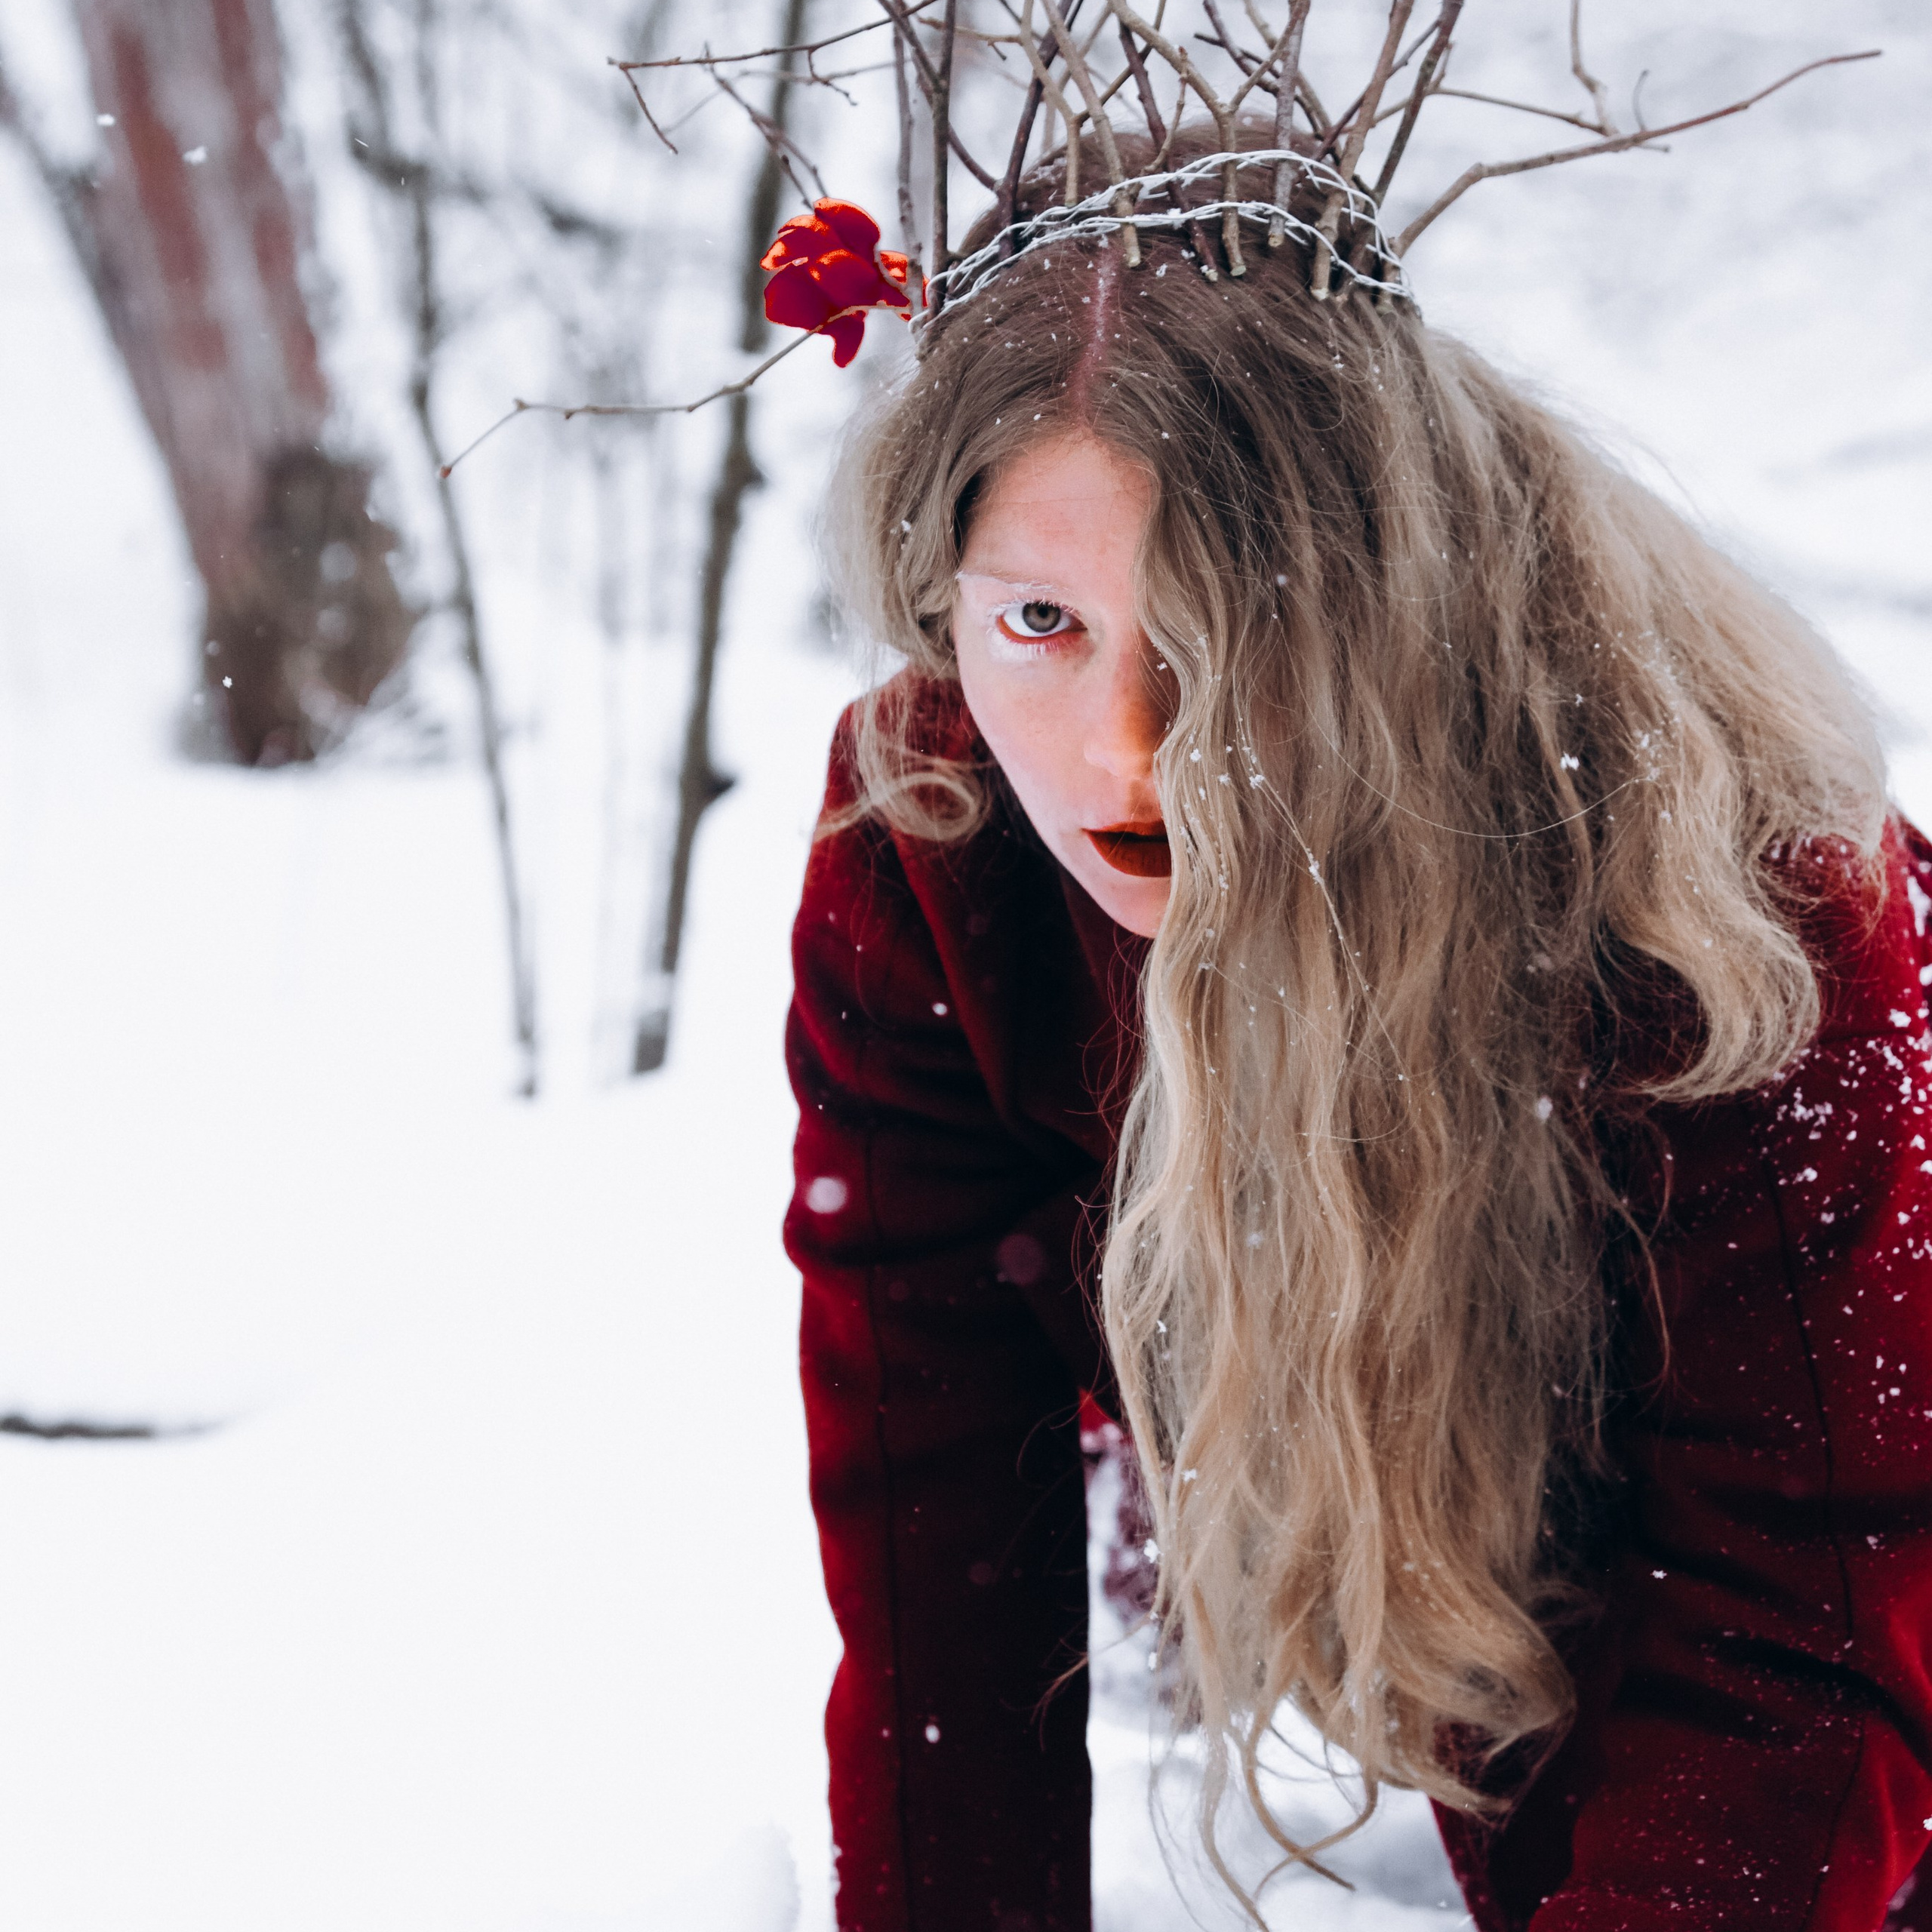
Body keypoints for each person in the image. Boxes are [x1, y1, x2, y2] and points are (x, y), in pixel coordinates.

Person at [783, 125, 1932, 1931]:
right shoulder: (933, 844)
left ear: (1376, 584)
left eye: (1222, 627)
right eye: (1039, 620)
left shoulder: (1725, 881)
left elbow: (1808, 1624)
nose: (1124, 750)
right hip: (1479, 1597)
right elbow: (941, 1563)